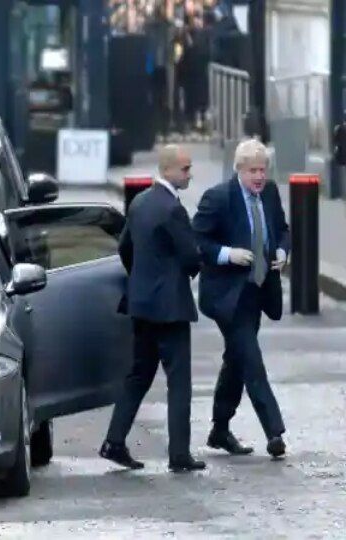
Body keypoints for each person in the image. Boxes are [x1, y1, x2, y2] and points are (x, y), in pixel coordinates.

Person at [100, 144, 205, 473]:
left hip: (141, 304)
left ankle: (114, 442)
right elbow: (191, 256)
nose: (190, 174)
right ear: (169, 170)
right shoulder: (173, 209)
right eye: (186, 169)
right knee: (179, 381)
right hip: (170, 308)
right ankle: (179, 455)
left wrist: (142, 280)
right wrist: (186, 272)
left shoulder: (141, 202)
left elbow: (124, 248)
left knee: (139, 375)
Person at [191, 138, 289, 459]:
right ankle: (274, 431)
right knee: (251, 359)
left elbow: (282, 229)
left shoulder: (270, 193)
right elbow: (196, 240)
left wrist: (282, 251)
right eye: (253, 171)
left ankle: (220, 429)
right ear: (239, 170)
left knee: (236, 360)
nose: (259, 176)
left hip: (257, 291)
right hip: (226, 296)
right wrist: (226, 254)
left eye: (263, 170)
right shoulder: (219, 198)